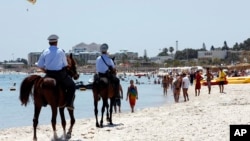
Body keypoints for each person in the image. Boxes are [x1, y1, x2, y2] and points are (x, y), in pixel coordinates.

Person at [37, 34, 76, 110]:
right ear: (56, 42)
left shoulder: (45, 51)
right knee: (72, 86)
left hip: (49, 74)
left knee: (40, 86)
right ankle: (69, 103)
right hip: (59, 74)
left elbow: (40, 65)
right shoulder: (60, 51)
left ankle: (43, 101)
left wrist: (45, 70)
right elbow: (65, 64)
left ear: (49, 42)